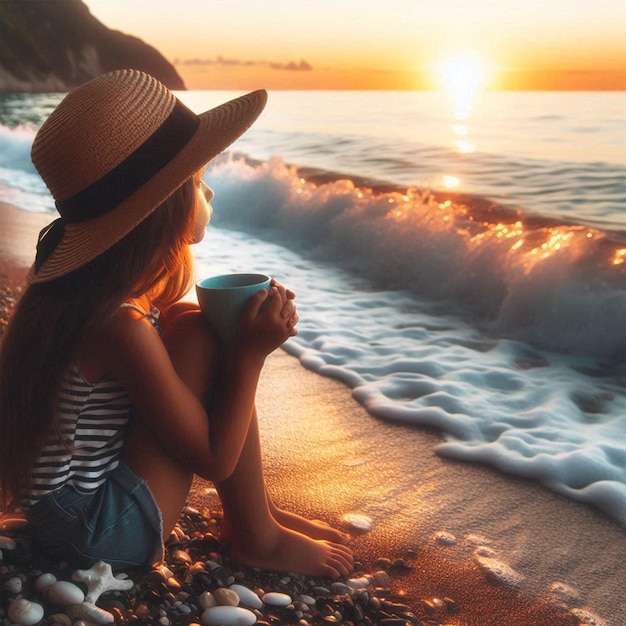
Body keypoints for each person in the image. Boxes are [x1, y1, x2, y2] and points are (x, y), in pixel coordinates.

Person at [0, 69, 353, 578]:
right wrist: (249, 355)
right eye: (196, 181)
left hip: (69, 507)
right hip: (94, 531)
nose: (209, 192)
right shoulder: (120, 327)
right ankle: (257, 537)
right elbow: (213, 459)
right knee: (210, 338)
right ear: (159, 208)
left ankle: (254, 519)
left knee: (192, 323)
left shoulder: (87, 295)